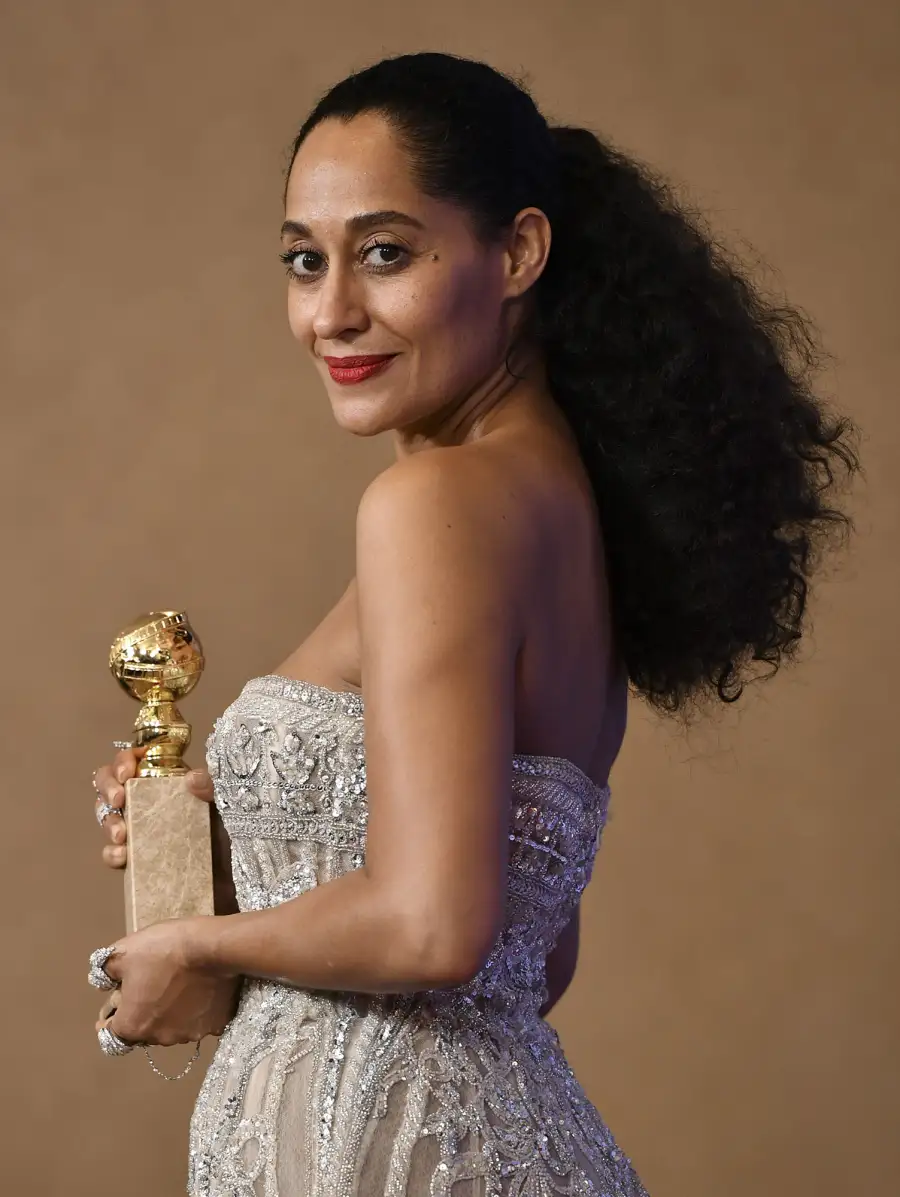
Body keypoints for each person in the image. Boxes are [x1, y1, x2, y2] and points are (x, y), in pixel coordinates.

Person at [87, 51, 858, 1197]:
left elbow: (437, 929)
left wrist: (188, 944)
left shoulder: (435, 506)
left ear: (519, 253)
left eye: (386, 253)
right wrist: (233, 856)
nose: (332, 311)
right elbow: (524, 963)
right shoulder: (552, 508)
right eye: (306, 261)